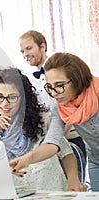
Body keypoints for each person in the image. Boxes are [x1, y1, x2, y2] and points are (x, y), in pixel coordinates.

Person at [0, 67, 69, 190]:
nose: (4, 104)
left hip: (52, 192)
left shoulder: (43, 120)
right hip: (18, 195)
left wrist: (73, 180)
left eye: (12, 97)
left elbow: (66, 152)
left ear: (23, 98)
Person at [19, 30, 87, 188]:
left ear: (42, 46)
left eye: (29, 48)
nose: (25, 54)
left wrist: (56, 138)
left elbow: (67, 111)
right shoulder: (32, 80)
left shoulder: (63, 71)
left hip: (70, 136)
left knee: (74, 180)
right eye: (22, 51)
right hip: (53, 142)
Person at [43, 52, 99, 191]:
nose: (54, 93)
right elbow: (52, 140)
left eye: (59, 85)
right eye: (50, 87)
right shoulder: (61, 105)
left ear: (75, 79)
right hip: (96, 161)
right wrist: (28, 159)